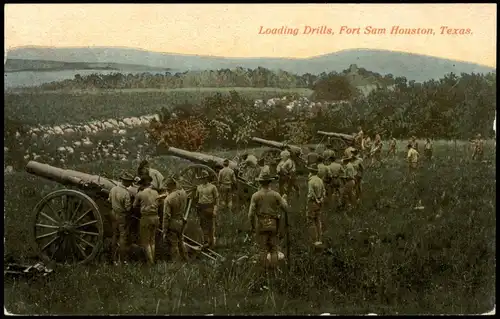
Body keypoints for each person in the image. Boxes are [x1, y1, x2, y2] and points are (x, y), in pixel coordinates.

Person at [248, 171, 289, 268]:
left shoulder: (255, 196)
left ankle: (264, 270)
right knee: (274, 249)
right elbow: (285, 208)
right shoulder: (276, 195)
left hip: (261, 224)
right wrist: (285, 199)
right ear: (269, 182)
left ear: (260, 183)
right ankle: (273, 270)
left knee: (263, 249)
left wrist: (253, 226)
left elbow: (250, 214)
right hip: (273, 224)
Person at [132, 175, 160, 265]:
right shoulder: (156, 193)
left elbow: (134, 206)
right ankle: (153, 259)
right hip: (155, 218)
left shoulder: (141, 193)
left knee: (146, 242)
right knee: (152, 241)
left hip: (146, 218)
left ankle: (150, 262)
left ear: (142, 185)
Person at [108, 172, 134, 263]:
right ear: (126, 182)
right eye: (130, 182)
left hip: (113, 214)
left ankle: (113, 259)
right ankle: (122, 260)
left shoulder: (113, 189)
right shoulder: (126, 193)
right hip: (122, 216)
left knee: (115, 235)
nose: (130, 184)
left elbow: (109, 200)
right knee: (123, 237)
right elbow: (128, 208)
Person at [162, 178, 188, 262]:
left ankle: (176, 262)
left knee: (173, 244)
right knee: (181, 241)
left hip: (173, 222)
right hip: (181, 220)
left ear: (168, 187)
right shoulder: (183, 193)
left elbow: (166, 216)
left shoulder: (168, 200)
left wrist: (164, 230)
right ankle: (186, 259)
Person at [194, 171, 219, 249]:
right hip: (201, 208)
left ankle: (212, 243)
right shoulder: (198, 187)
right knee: (202, 225)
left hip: (209, 207)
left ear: (207, 178)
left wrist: (215, 209)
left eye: (204, 178)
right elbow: (196, 197)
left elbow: (217, 199)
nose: (202, 180)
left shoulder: (212, 187)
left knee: (210, 226)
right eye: (201, 178)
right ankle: (205, 242)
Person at [306, 163, 326, 246]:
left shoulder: (311, 181)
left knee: (311, 220)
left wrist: (316, 200)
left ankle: (314, 240)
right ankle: (319, 238)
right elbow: (324, 191)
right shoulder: (320, 180)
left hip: (313, 202)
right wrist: (321, 199)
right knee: (318, 220)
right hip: (319, 202)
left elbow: (310, 193)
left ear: (310, 171)